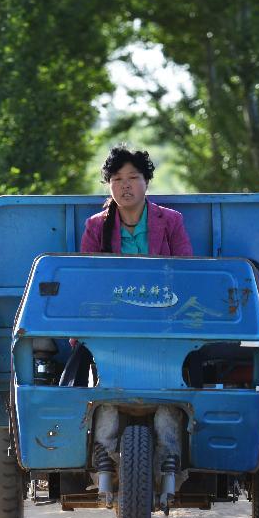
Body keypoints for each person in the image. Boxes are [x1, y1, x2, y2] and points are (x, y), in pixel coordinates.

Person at [60, 145, 193, 386]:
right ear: (109, 185)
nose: (125, 185)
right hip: (112, 317)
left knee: (194, 361)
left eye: (133, 177)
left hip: (163, 314)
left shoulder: (172, 220)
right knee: (77, 363)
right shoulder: (96, 226)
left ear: (147, 181)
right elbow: (87, 280)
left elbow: (186, 273)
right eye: (117, 179)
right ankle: (71, 414)